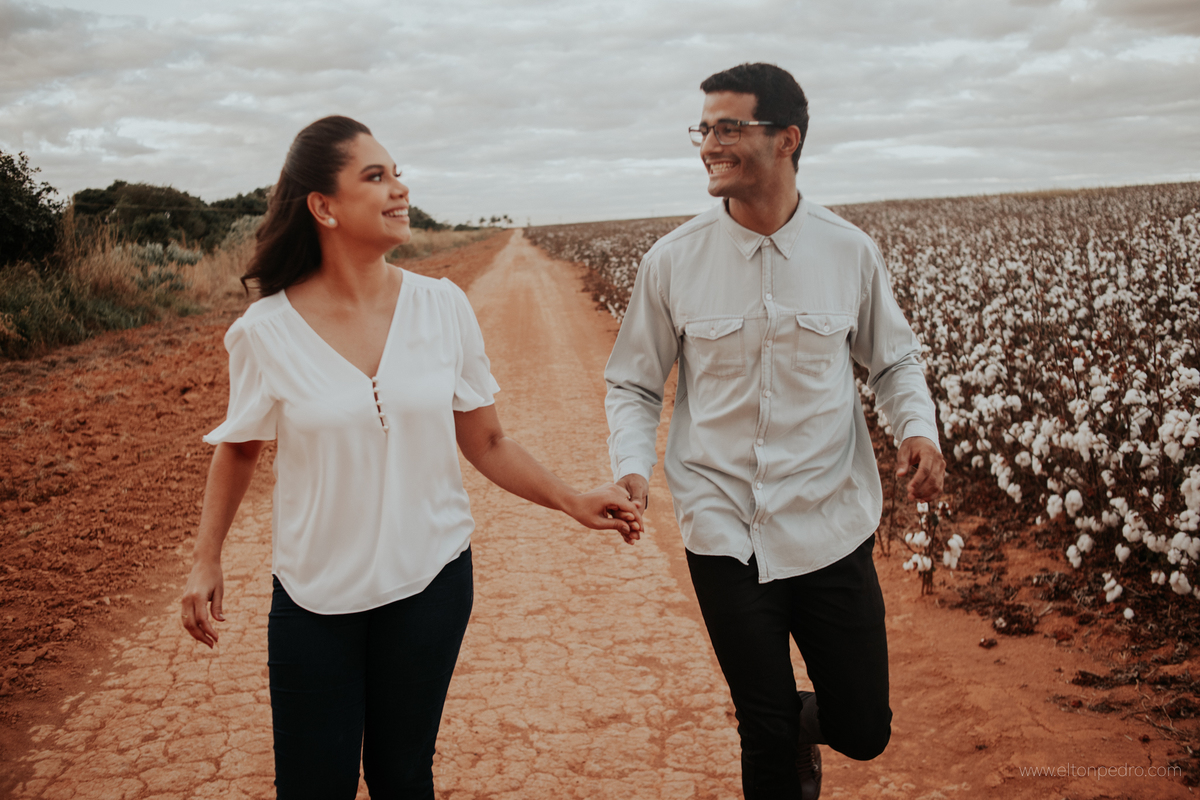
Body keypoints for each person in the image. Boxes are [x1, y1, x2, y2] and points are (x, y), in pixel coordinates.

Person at [180, 115, 642, 799]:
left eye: (398, 173)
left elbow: (487, 441)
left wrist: (572, 498)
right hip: (314, 596)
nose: (400, 188)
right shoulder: (265, 331)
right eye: (376, 176)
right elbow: (241, 447)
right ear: (323, 207)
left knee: (402, 775)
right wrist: (206, 558)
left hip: (433, 582)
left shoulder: (442, 305)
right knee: (313, 786)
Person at [604, 64, 945, 800]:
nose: (709, 145)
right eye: (703, 129)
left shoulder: (848, 251)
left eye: (729, 128)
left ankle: (795, 723)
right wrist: (631, 464)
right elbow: (633, 381)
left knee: (863, 729)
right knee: (762, 732)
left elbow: (894, 361)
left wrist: (917, 429)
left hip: (829, 521)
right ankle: (773, 723)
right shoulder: (672, 262)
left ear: (787, 139)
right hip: (723, 527)